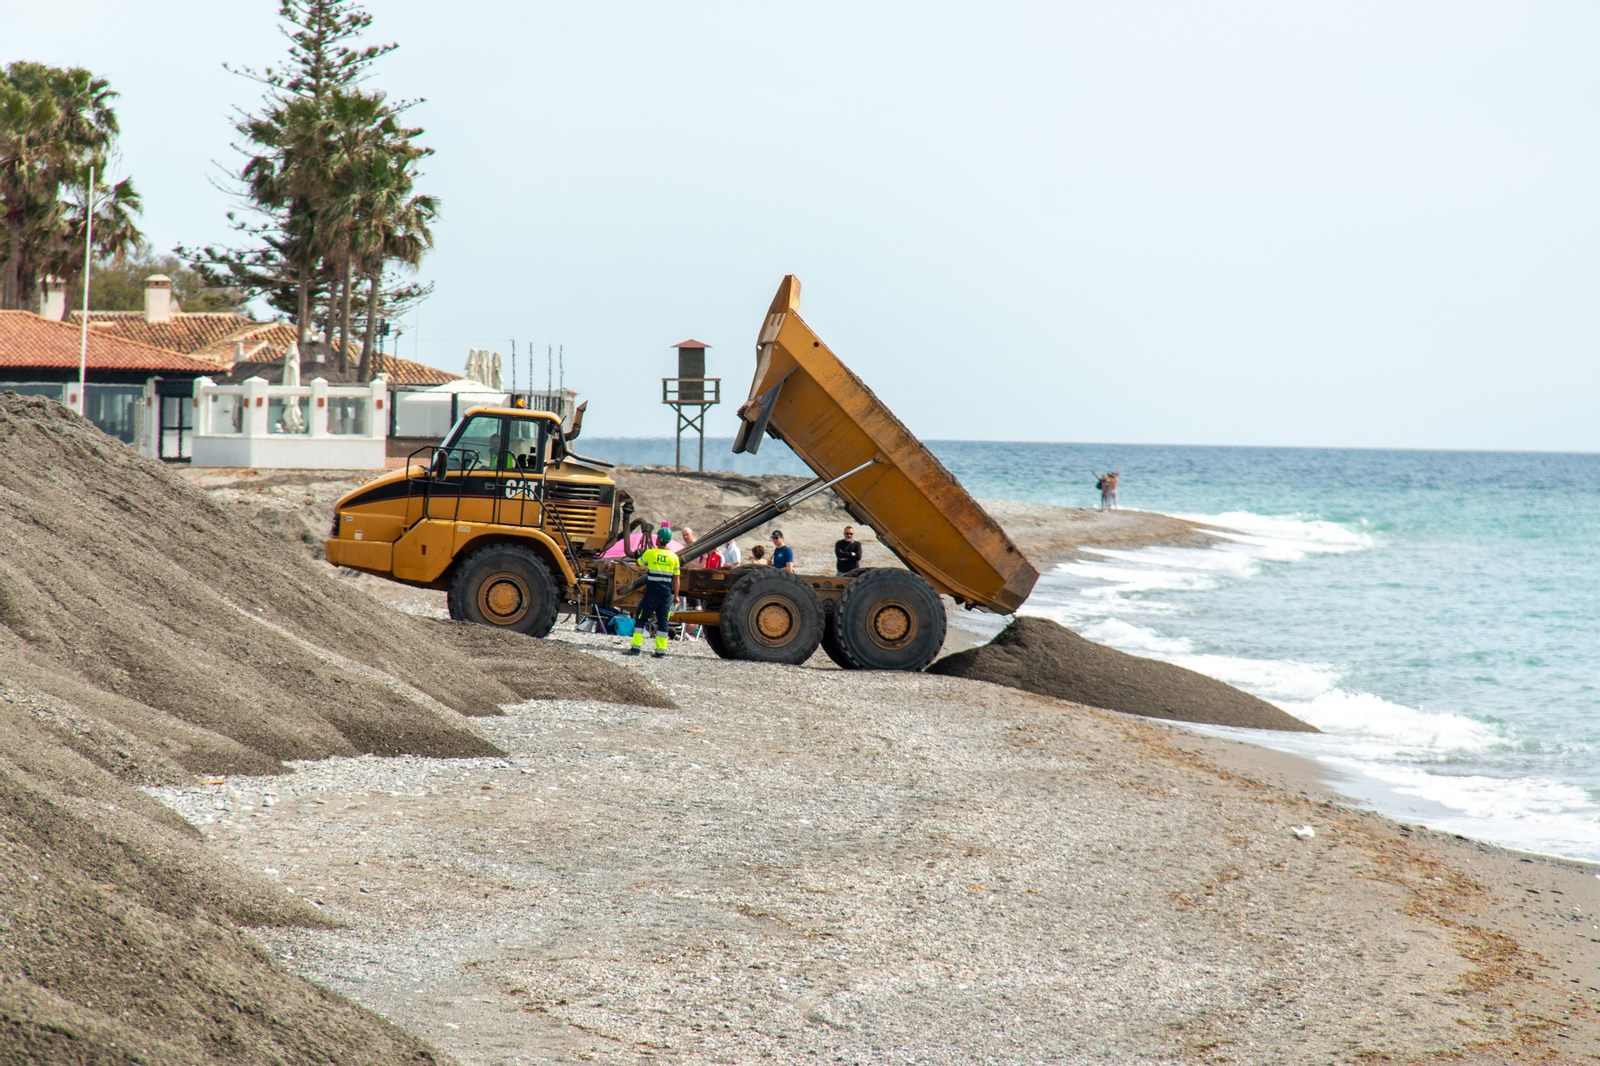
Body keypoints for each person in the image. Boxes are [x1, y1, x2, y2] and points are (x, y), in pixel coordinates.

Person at [627, 527, 679, 659]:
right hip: (666, 594)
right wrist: (677, 596)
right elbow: (676, 578)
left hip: (651, 593)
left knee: (640, 617)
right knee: (663, 621)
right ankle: (660, 651)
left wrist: (642, 555)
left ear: (659, 539)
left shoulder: (650, 553)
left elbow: (639, 564)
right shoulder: (674, 557)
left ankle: (636, 648)